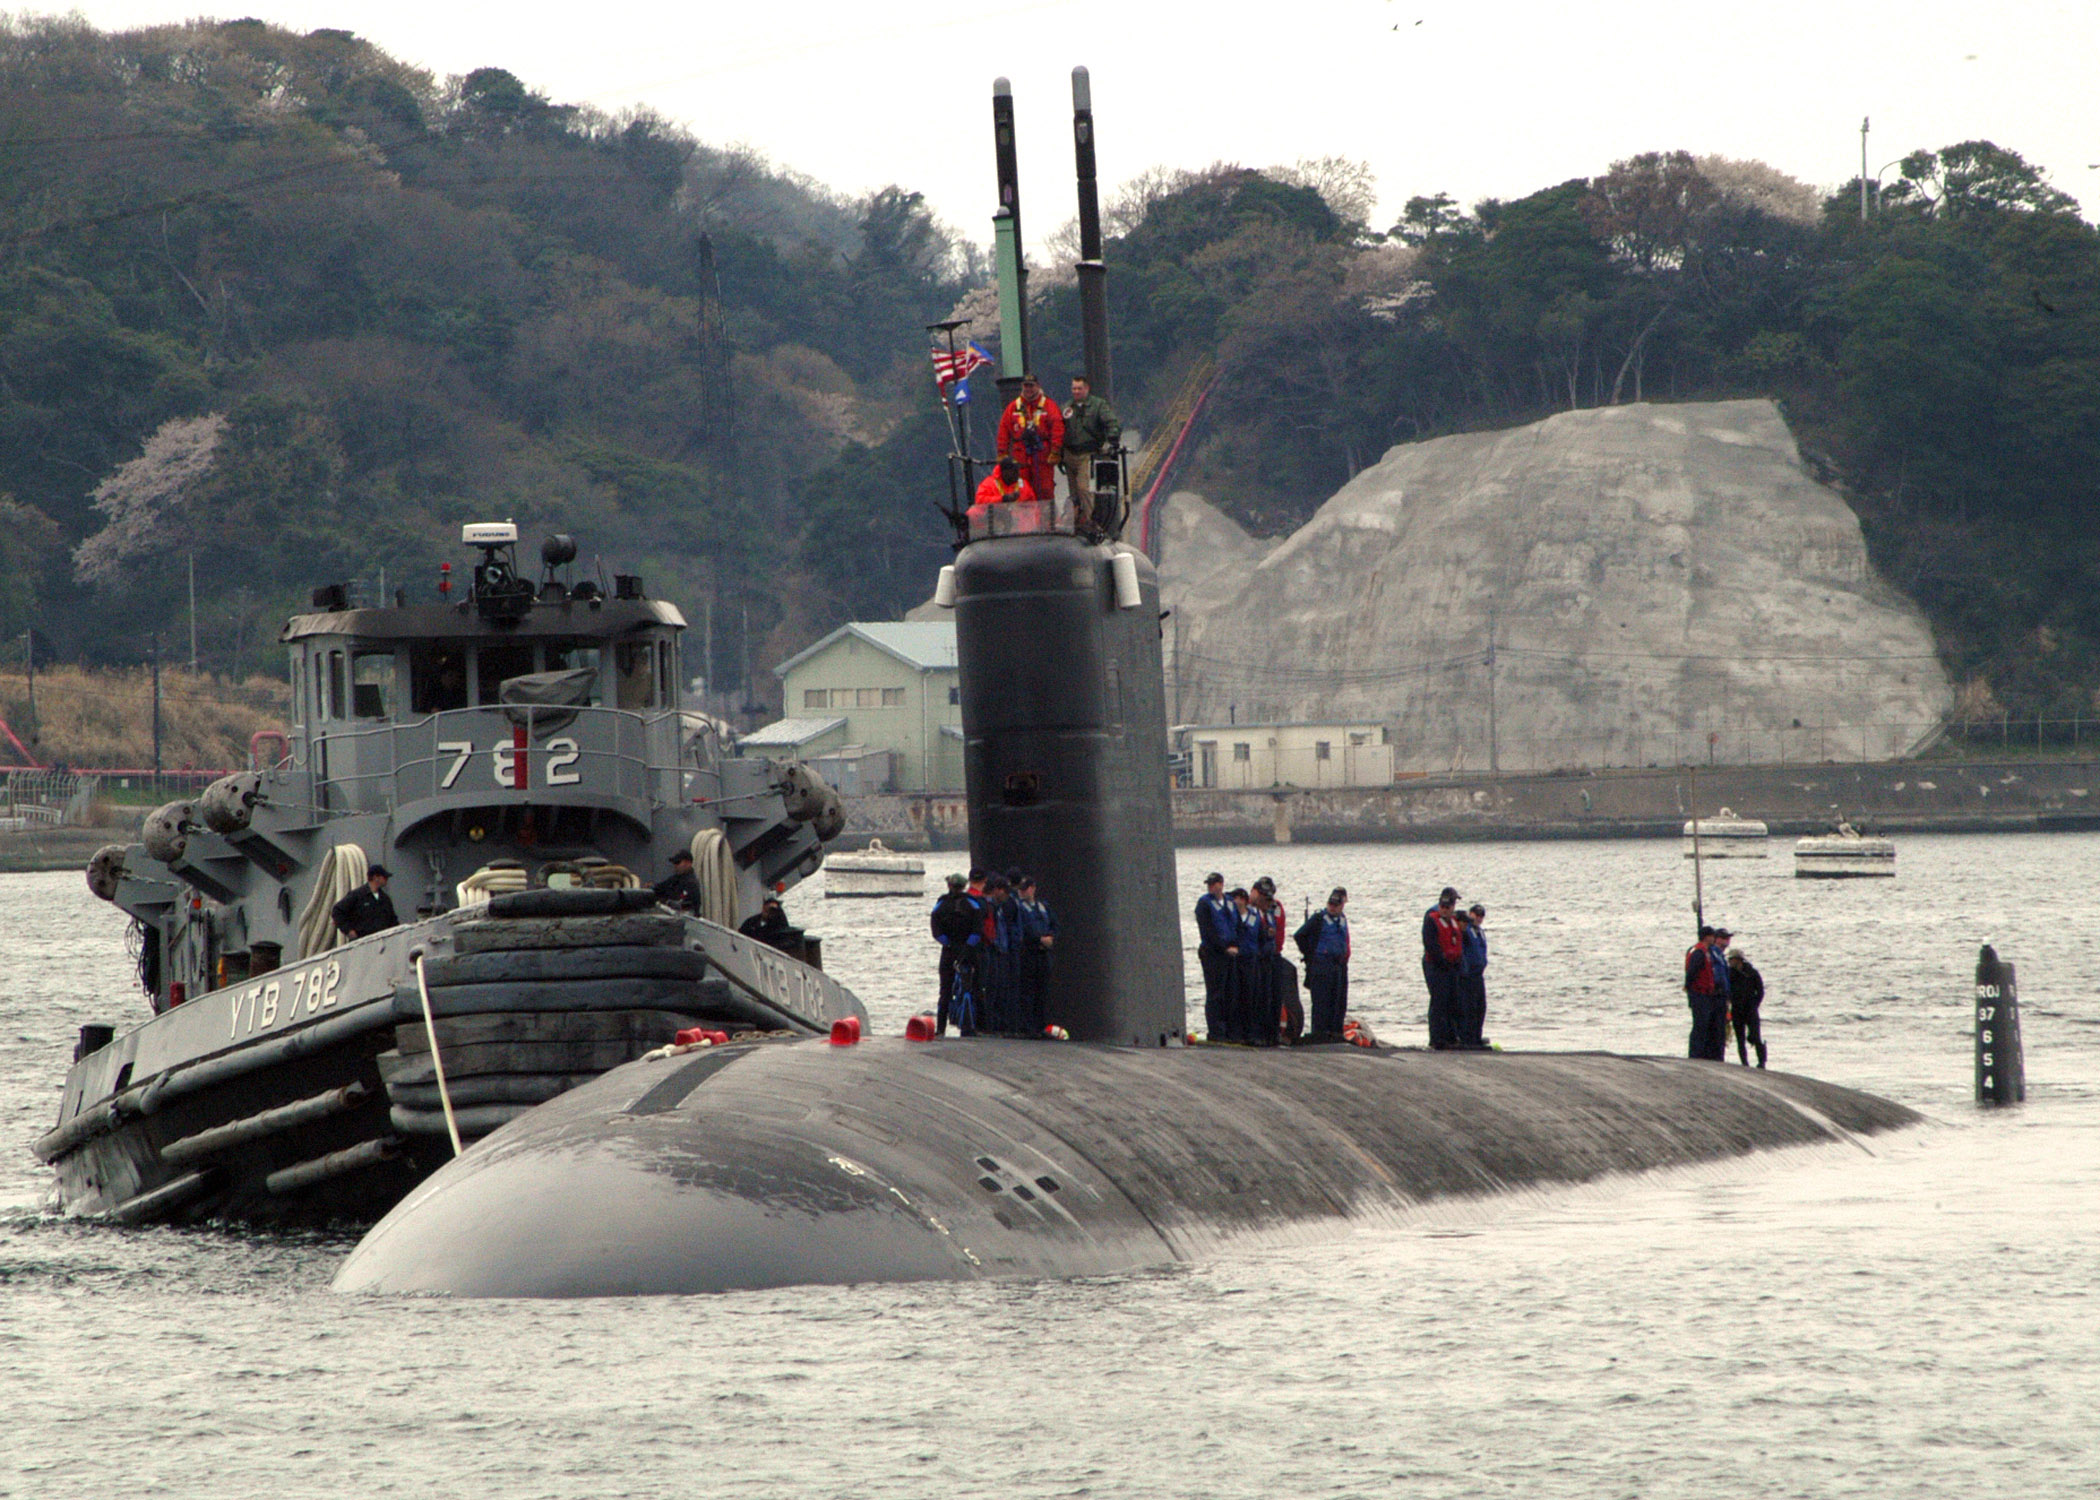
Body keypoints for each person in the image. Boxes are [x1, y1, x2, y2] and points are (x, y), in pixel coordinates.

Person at [1061, 374, 1122, 534]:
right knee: (1073, 491)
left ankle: (1087, 520)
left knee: (1084, 488)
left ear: (1086, 389)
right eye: (1073, 388)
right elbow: (1058, 428)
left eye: (1079, 388)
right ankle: (1076, 520)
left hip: (1087, 454)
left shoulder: (1097, 405)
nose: (1076, 392)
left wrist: (1113, 438)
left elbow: (1111, 422)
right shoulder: (1067, 408)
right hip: (1069, 454)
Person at [930, 873, 988, 1035]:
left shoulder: (941, 904)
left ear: (949, 886)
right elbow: (978, 931)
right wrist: (967, 947)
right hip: (969, 951)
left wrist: (948, 943)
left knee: (945, 991)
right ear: (963, 886)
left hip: (949, 951)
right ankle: (978, 1027)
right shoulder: (973, 904)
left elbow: (936, 931)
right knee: (975, 988)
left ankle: (940, 1029)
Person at [996, 372, 1064, 508]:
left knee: (1045, 489)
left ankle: (1048, 521)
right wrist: (1002, 453)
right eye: (1026, 386)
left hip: (1042, 454)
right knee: (1023, 490)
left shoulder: (1049, 406)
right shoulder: (1013, 407)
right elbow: (1003, 431)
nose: (1028, 389)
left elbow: (1058, 429)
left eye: (1031, 386)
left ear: (1038, 386)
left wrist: (1055, 451)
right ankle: (1025, 522)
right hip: (1020, 455)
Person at [1294, 887, 1351, 1040]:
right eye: (1330, 904)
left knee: (1337, 1000)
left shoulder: (1342, 919)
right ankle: (1319, 1033)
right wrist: (1310, 954)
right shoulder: (1319, 918)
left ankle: (1335, 1032)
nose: (1332, 908)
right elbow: (1300, 935)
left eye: (1335, 905)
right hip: (1321, 964)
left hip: (1337, 965)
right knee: (1321, 1001)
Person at [1253, 876, 1301, 1045]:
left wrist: (1276, 949)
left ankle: (1273, 1033)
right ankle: (1259, 1033)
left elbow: (1278, 931)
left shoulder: (1276, 908)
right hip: (1259, 957)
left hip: (1273, 955)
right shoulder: (1252, 910)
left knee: (1273, 996)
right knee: (1260, 996)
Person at [1421, 886, 1466, 1050]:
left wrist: (1457, 963)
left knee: (1453, 1001)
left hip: (1452, 967)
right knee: (1438, 1002)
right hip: (1437, 966)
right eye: (1444, 907)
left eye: (1449, 907)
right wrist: (1443, 962)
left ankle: (1451, 1036)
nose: (1447, 910)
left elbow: (1458, 941)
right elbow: (1430, 944)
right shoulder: (1432, 919)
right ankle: (1437, 1038)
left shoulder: (1454, 920)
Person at [1194, 872, 1236, 1041]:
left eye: (1214, 884)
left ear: (1221, 884)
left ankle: (1228, 1030)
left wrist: (1235, 945)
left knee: (1229, 992)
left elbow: (1235, 924)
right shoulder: (1204, 904)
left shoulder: (1229, 902)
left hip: (1230, 953)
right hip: (1213, 954)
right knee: (1215, 993)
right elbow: (1207, 930)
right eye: (1210, 885)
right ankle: (1216, 1031)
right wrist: (1224, 947)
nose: (1211, 887)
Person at [1016, 876, 1058, 1036]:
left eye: (1025, 888)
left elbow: (1055, 925)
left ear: (1033, 888)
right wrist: (1038, 939)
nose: (1021, 892)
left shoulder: (1043, 907)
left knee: (1042, 992)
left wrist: (1051, 938)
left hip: (1043, 955)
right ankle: (1028, 1028)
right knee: (1028, 992)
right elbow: (1021, 930)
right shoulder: (1019, 909)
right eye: (1020, 889)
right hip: (1029, 954)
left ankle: (1040, 1027)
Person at [1683, 925, 1731, 1061]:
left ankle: (1703, 1054)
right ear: (1707, 937)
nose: (1713, 938)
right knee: (1700, 1025)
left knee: (1706, 1025)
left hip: (1705, 993)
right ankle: (1696, 1055)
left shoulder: (1707, 951)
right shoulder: (1699, 952)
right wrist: (1689, 988)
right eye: (1712, 936)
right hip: (1700, 993)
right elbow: (1692, 973)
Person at [981, 873, 1022, 1035]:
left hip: (1004, 952)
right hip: (997, 952)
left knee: (1002, 990)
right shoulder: (991, 907)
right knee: (996, 990)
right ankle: (993, 1025)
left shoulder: (1006, 905)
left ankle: (1001, 1025)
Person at [1229, 887, 1264, 1044]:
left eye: (1236, 898)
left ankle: (1250, 1033)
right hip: (1236, 960)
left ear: (1242, 899)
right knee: (1235, 996)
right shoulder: (1230, 917)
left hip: (1250, 961)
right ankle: (1236, 1033)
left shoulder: (1254, 917)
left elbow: (1261, 937)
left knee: (1251, 997)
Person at [331, 863, 398, 939]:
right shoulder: (357, 895)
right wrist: (348, 931)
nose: (386, 880)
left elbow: (393, 921)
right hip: (362, 942)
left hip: (383, 942)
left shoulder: (385, 899)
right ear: (376, 877)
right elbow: (337, 911)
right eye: (384, 877)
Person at [1457, 903, 1492, 1050]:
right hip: (1467, 975)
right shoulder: (1466, 930)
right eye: (1476, 914)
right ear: (1470, 913)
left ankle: (1476, 1036)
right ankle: (1467, 1038)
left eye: (1481, 916)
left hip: (1479, 975)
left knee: (1480, 1007)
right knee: (1468, 1007)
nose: (1478, 918)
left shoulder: (1480, 932)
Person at [1727, 946, 1767, 1068]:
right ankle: (1744, 1063)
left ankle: (1762, 1062)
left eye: (1732, 960)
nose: (1730, 962)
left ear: (1739, 960)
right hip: (1737, 1010)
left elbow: (1760, 991)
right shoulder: (1729, 974)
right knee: (1740, 1038)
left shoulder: (1751, 973)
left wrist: (1755, 1004)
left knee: (1755, 1036)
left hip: (1751, 1009)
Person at [654, 850, 702, 915]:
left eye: (677, 862)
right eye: (674, 863)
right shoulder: (674, 879)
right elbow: (659, 888)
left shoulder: (691, 884)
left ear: (687, 863)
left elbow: (684, 904)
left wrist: (668, 902)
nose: (675, 865)